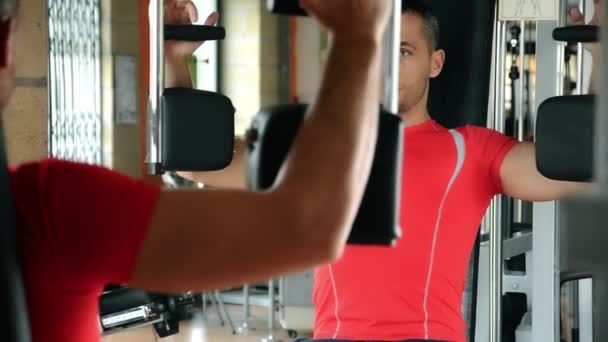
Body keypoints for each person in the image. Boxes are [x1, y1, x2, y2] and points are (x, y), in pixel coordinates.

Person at [182, 0, 602, 341]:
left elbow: (575, 167)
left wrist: (602, 60)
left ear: (435, 63)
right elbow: (195, 160)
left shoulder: (469, 150)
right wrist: (175, 60)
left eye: (403, 52)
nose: (387, 68)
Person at [4, 0, 394, 341]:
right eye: (401, 50)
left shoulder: (49, 205)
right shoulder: (50, 205)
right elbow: (306, 225)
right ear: (6, 42)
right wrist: (357, 37)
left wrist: (174, 59)